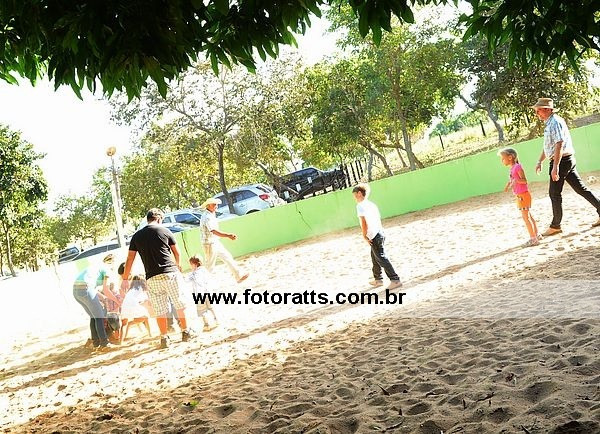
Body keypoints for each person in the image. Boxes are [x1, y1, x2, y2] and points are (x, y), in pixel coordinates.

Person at [121, 208, 194, 349]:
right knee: (179, 303)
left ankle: (164, 338)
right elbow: (177, 252)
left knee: (160, 310)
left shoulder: (136, 236)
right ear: (159, 219)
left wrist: (125, 279)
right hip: (169, 273)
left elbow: (130, 258)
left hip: (151, 277)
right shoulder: (165, 231)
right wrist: (178, 265)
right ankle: (185, 332)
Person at [533, 97, 600, 235]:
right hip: (565, 160)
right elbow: (549, 146)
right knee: (581, 189)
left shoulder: (555, 122)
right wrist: (540, 161)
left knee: (554, 194)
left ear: (547, 109)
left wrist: (555, 166)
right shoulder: (550, 122)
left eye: (538, 110)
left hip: (562, 161)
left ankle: (555, 225)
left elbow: (559, 144)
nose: (537, 113)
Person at [352, 184, 402, 290]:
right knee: (375, 257)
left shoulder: (360, 206)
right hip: (380, 232)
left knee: (381, 257)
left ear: (359, 193)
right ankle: (378, 279)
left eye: (355, 195)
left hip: (373, 235)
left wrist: (364, 235)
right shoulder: (371, 204)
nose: (354, 198)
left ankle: (395, 279)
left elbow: (364, 222)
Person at [73, 253, 119, 351]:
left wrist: (104, 298)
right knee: (99, 316)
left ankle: (96, 342)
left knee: (94, 316)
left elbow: (94, 290)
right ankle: (104, 344)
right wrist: (117, 301)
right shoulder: (107, 269)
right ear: (112, 262)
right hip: (86, 288)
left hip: (76, 290)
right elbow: (106, 289)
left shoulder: (96, 267)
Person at [199, 198, 249, 283]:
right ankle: (203, 283)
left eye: (216, 204)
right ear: (208, 206)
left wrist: (227, 235)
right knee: (210, 266)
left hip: (214, 241)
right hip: (209, 243)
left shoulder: (210, 214)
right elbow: (214, 231)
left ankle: (238, 275)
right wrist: (228, 235)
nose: (216, 206)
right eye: (214, 204)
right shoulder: (207, 217)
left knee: (227, 257)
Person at [499, 148, 540, 247]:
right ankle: (536, 235)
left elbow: (524, 180)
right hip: (520, 195)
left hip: (523, 195)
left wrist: (516, 181)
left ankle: (533, 238)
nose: (502, 160)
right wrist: (508, 184)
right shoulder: (512, 168)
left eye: (503, 158)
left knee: (526, 218)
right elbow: (513, 179)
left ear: (510, 157)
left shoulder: (517, 167)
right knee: (528, 216)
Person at [185, 255, 218, 332]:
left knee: (202, 311)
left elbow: (186, 280)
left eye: (191, 265)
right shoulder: (205, 270)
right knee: (211, 307)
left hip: (199, 295)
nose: (190, 267)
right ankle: (217, 320)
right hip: (209, 292)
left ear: (194, 264)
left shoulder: (193, 274)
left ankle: (206, 325)